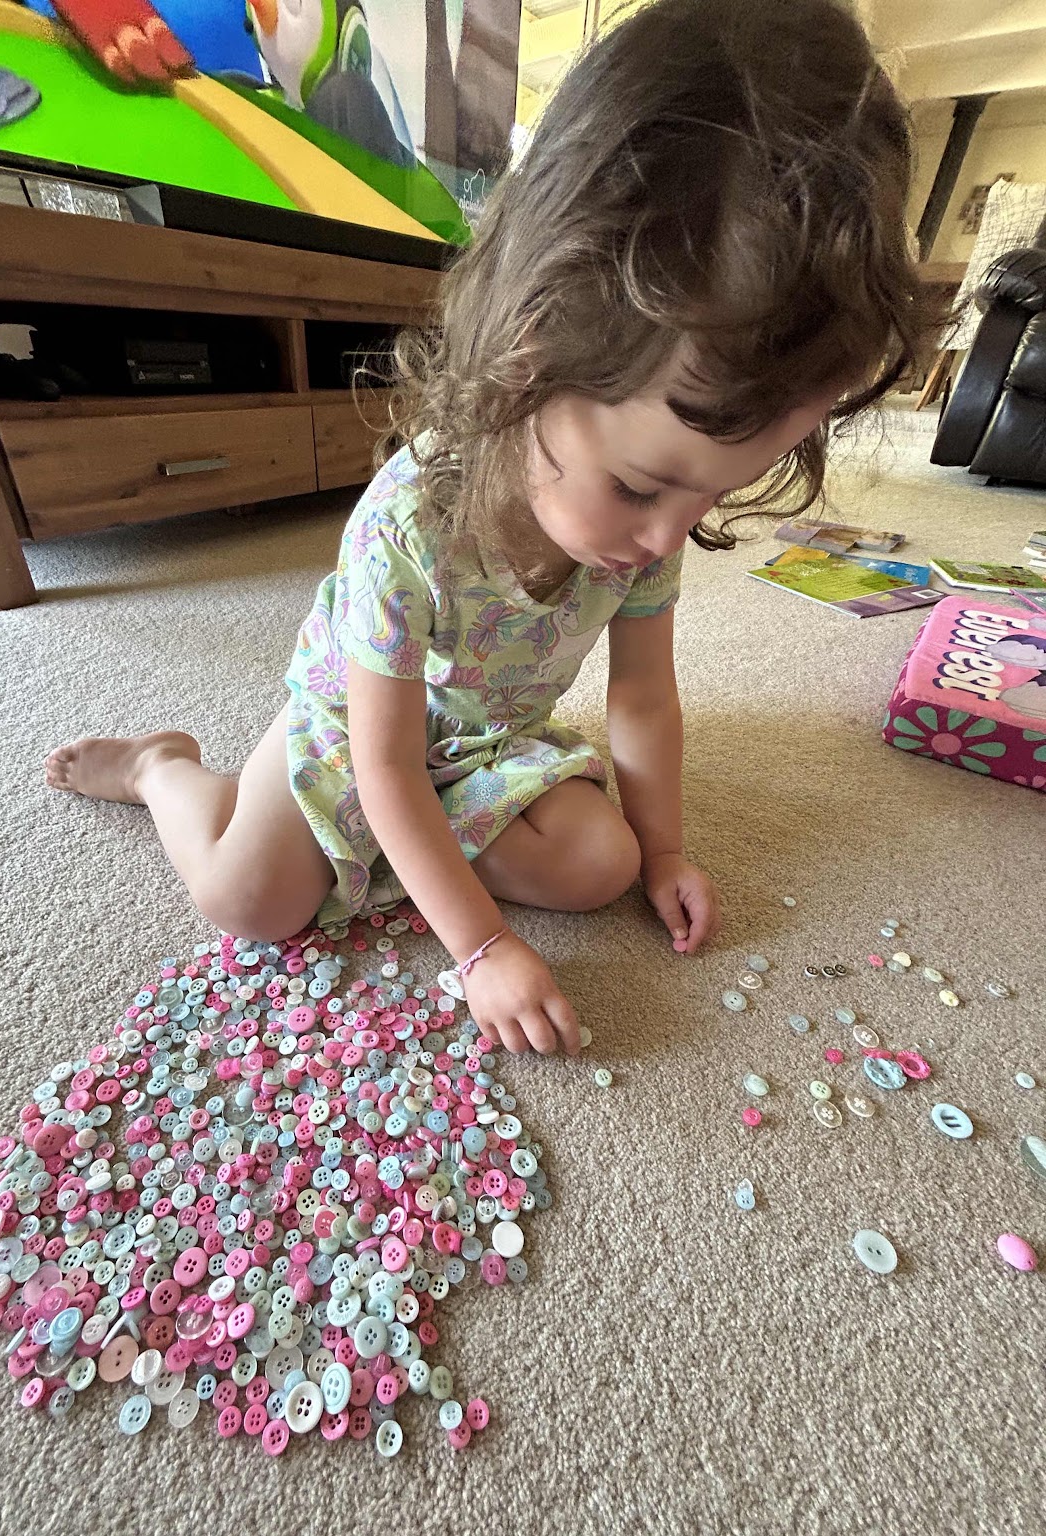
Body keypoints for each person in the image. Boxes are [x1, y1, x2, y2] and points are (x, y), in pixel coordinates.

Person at [45, 0, 934, 1057]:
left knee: (601, 864)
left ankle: (413, 857)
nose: (667, 538)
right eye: (643, 487)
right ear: (528, 357)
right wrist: (480, 946)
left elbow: (643, 696)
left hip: (484, 741)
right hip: (358, 731)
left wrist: (664, 850)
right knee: (248, 900)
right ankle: (163, 768)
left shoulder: (639, 529)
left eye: (710, 497)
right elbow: (383, 764)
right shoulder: (410, 524)